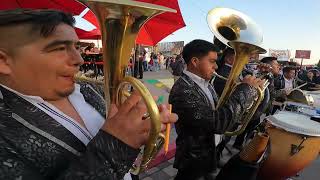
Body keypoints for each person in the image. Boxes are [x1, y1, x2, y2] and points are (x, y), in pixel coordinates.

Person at [0, 9, 177, 180]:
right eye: (60, 48)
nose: (79, 60)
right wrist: (118, 143)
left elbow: (126, 144)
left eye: (76, 47)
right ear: (3, 62)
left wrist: (142, 130)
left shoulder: (86, 89)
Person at [169, 39, 266, 180]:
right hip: (193, 156)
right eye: (212, 61)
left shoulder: (205, 82)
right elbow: (217, 123)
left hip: (209, 149)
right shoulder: (183, 90)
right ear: (195, 61)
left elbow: (218, 109)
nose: (216, 66)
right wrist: (245, 90)